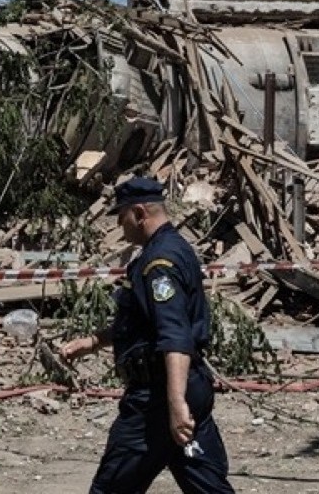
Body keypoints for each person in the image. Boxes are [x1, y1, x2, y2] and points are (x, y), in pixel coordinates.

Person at [58, 175, 236, 494]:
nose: (119, 225)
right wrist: (93, 342)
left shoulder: (159, 265)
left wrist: (175, 402)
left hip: (157, 398)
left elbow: (175, 335)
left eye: (121, 215)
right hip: (187, 387)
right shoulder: (172, 249)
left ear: (139, 213)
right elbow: (142, 324)